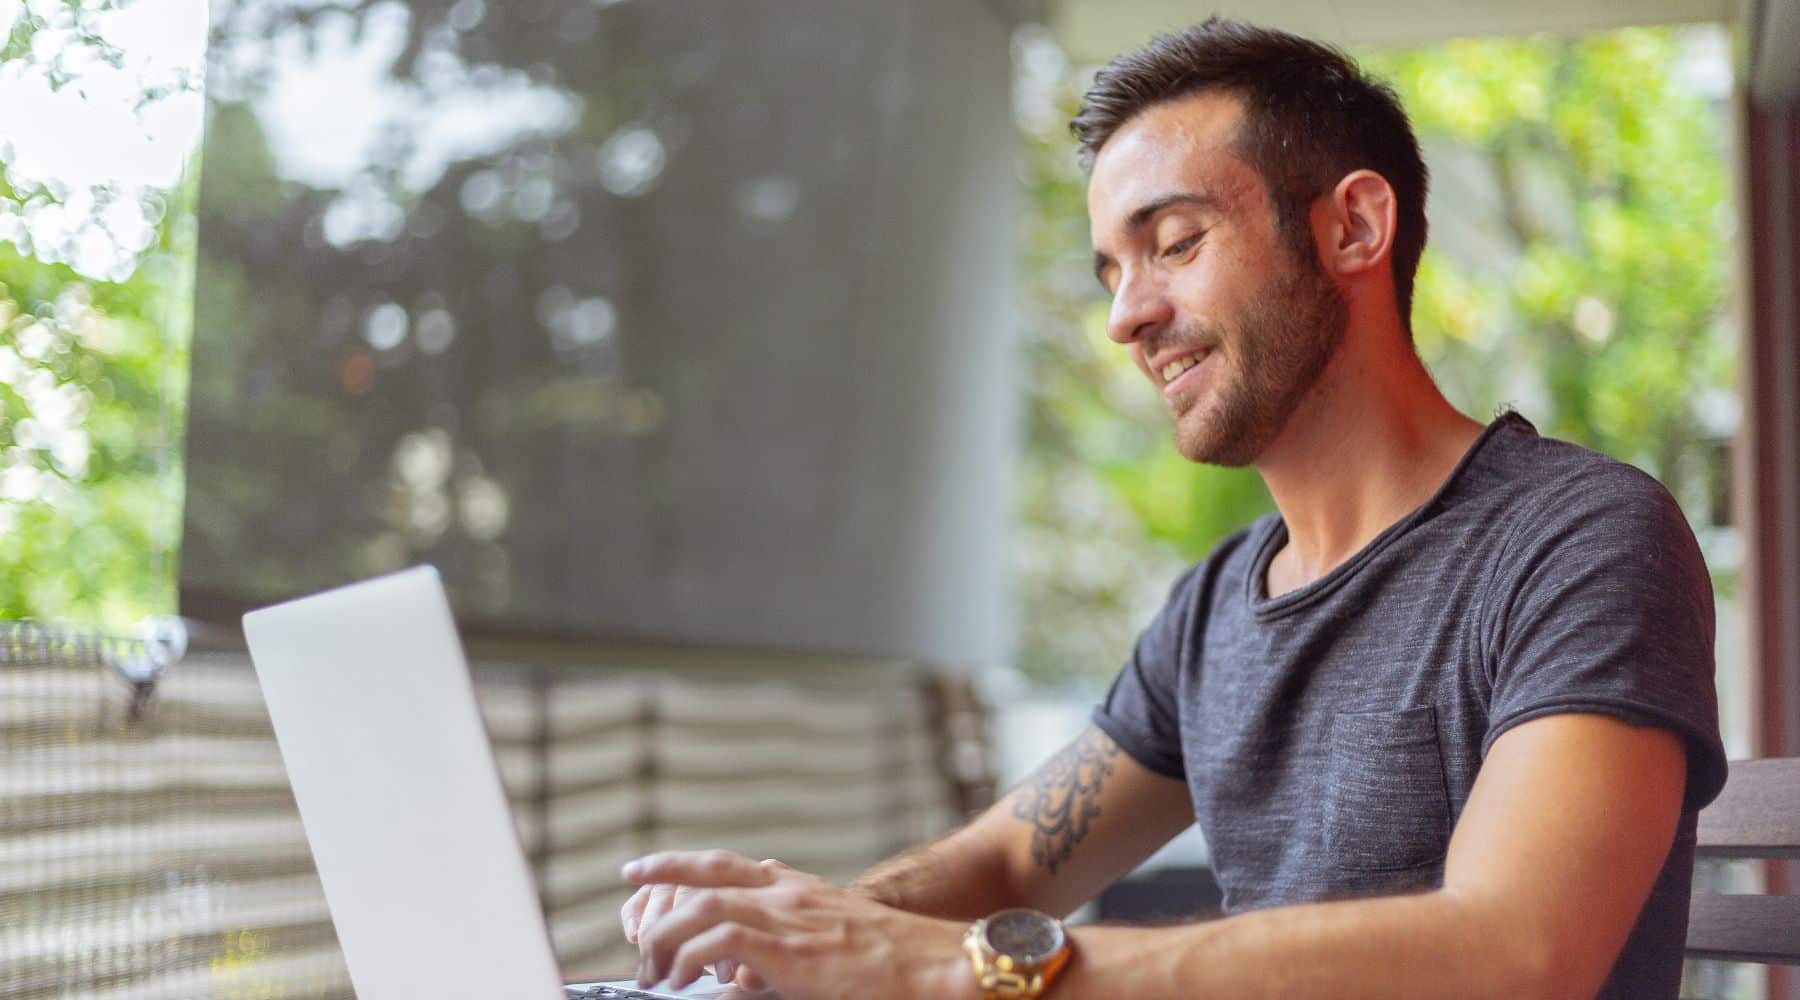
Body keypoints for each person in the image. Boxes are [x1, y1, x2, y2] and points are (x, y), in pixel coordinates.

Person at [617, 17, 1727, 999]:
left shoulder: (1579, 540)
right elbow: (1011, 863)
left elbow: (1512, 954)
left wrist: (954, 968)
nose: (1127, 316)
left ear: (1353, 229)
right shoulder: (1215, 609)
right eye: (1110, 269)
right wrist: (804, 935)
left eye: (1175, 242)